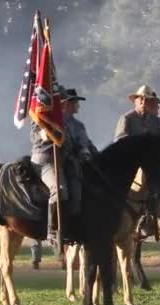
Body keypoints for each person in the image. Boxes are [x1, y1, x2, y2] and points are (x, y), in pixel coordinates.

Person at [30, 86, 95, 247]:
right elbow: (34, 136)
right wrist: (44, 135)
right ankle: (53, 231)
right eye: (72, 102)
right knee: (59, 190)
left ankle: (75, 225)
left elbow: (85, 143)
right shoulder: (44, 117)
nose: (76, 106)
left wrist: (88, 153)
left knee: (82, 189)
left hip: (68, 162)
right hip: (46, 160)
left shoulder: (77, 125)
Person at [114, 85, 160, 237]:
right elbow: (119, 141)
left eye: (147, 100)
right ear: (136, 101)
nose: (143, 102)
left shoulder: (158, 122)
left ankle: (152, 218)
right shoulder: (127, 119)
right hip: (129, 163)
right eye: (141, 99)